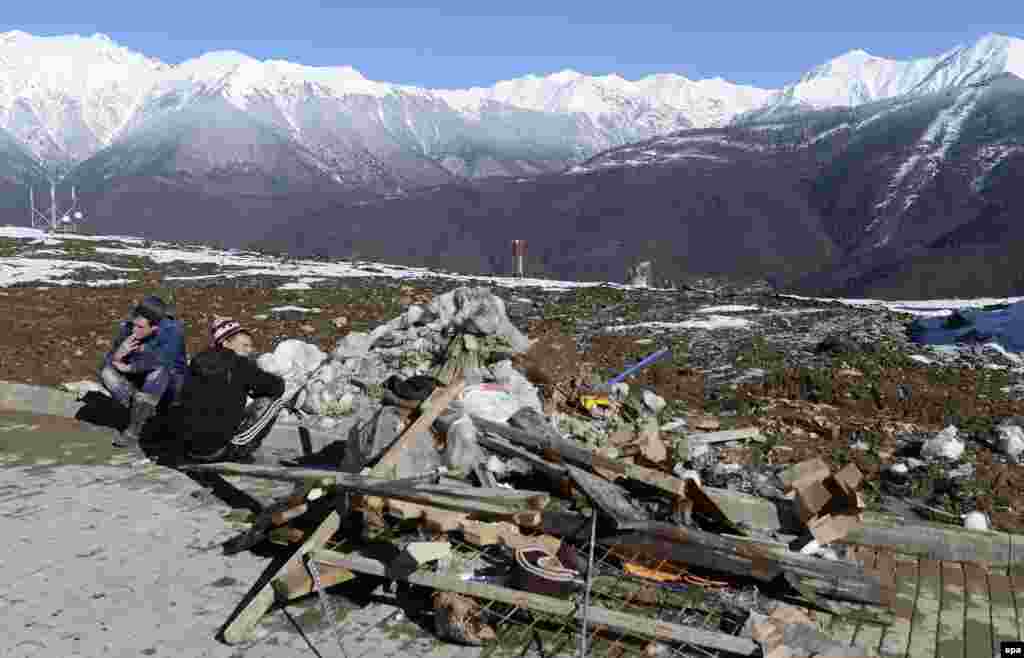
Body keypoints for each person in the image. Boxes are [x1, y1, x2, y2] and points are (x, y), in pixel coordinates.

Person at [175, 317, 286, 463]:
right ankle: (239, 452)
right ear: (225, 342)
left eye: (250, 346)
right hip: (216, 451)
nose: (250, 351)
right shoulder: (239, 364)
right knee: (274, 403)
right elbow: (277, 387)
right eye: (245, 346)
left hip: (188, 447)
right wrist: (256, 384)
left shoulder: (196, 360)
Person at [99, 295, 187, 450]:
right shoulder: (128, 327)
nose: (134, 330)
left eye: (140, 327)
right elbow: (108, 362)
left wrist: (130, 367)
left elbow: (163, 362)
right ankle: (142, 413)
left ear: (154, 328)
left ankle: (134, 430)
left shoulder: (173, 331)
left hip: (171, 386)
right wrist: (119, 354)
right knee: (107, 373)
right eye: (134, 325)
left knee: (158, 372)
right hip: (139, 383)